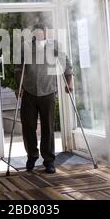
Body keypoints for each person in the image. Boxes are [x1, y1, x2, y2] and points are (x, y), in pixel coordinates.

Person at [15, 23, 74, 174]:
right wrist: (19, 86)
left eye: (45, 31)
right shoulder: (25, 47)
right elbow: (18, 67)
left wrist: (69, 83)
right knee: (28, 126)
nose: (43, 34)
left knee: (48, 127)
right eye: (40, 32)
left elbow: (66, 64)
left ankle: (49, 160)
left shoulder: (54, 45)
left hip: (48, 91)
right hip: (29, 92)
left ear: (47, 32)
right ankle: (32, 156)